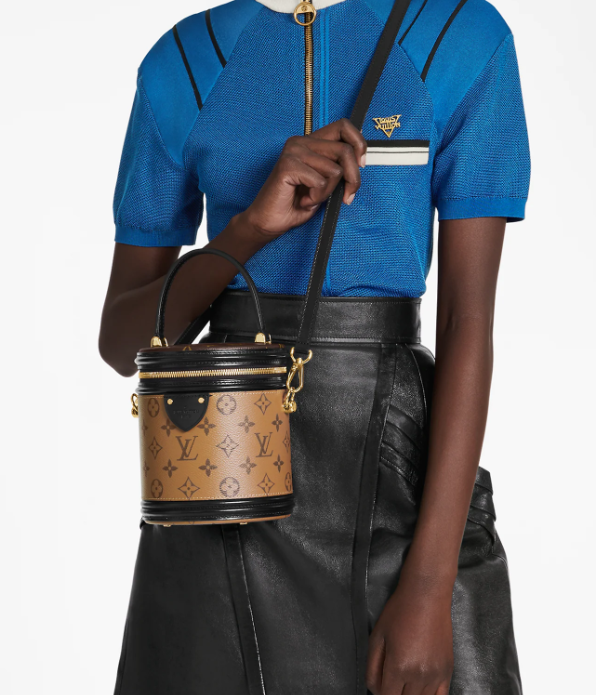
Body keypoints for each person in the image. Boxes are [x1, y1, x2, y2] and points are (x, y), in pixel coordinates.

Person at [99, 0, 531, 692]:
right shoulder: (183, 60)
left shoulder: (457, 35)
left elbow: (466, 323)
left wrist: (428, 584)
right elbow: (124, 343)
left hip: (395, 471)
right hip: (221, 476)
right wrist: (248, 228)